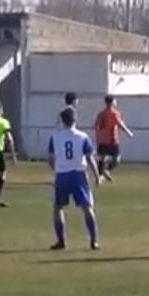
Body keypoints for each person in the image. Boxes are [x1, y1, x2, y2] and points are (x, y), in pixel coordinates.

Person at [48, 107, 101, 250]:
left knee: (58, 208)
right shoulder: (83, 136)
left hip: (62, 175)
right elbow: (90, 158)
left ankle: (61, 241)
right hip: (79, 174)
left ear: (62, 120)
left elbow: (51, 158)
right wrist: (97, 175)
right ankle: (94, 241)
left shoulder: (55, 136)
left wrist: (57, 170)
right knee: (87, 207)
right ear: (75, 119)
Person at [93, 95, 134, 181]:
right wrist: (128, 132)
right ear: (112, 102)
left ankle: (100, 176)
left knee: (102, 158)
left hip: (102, 139)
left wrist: (97, 137)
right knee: (117, 158)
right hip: (112, 140)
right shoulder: (114, 113)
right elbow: (120, 124)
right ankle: (107, 170)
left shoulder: (101, 114)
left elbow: (96, 125)